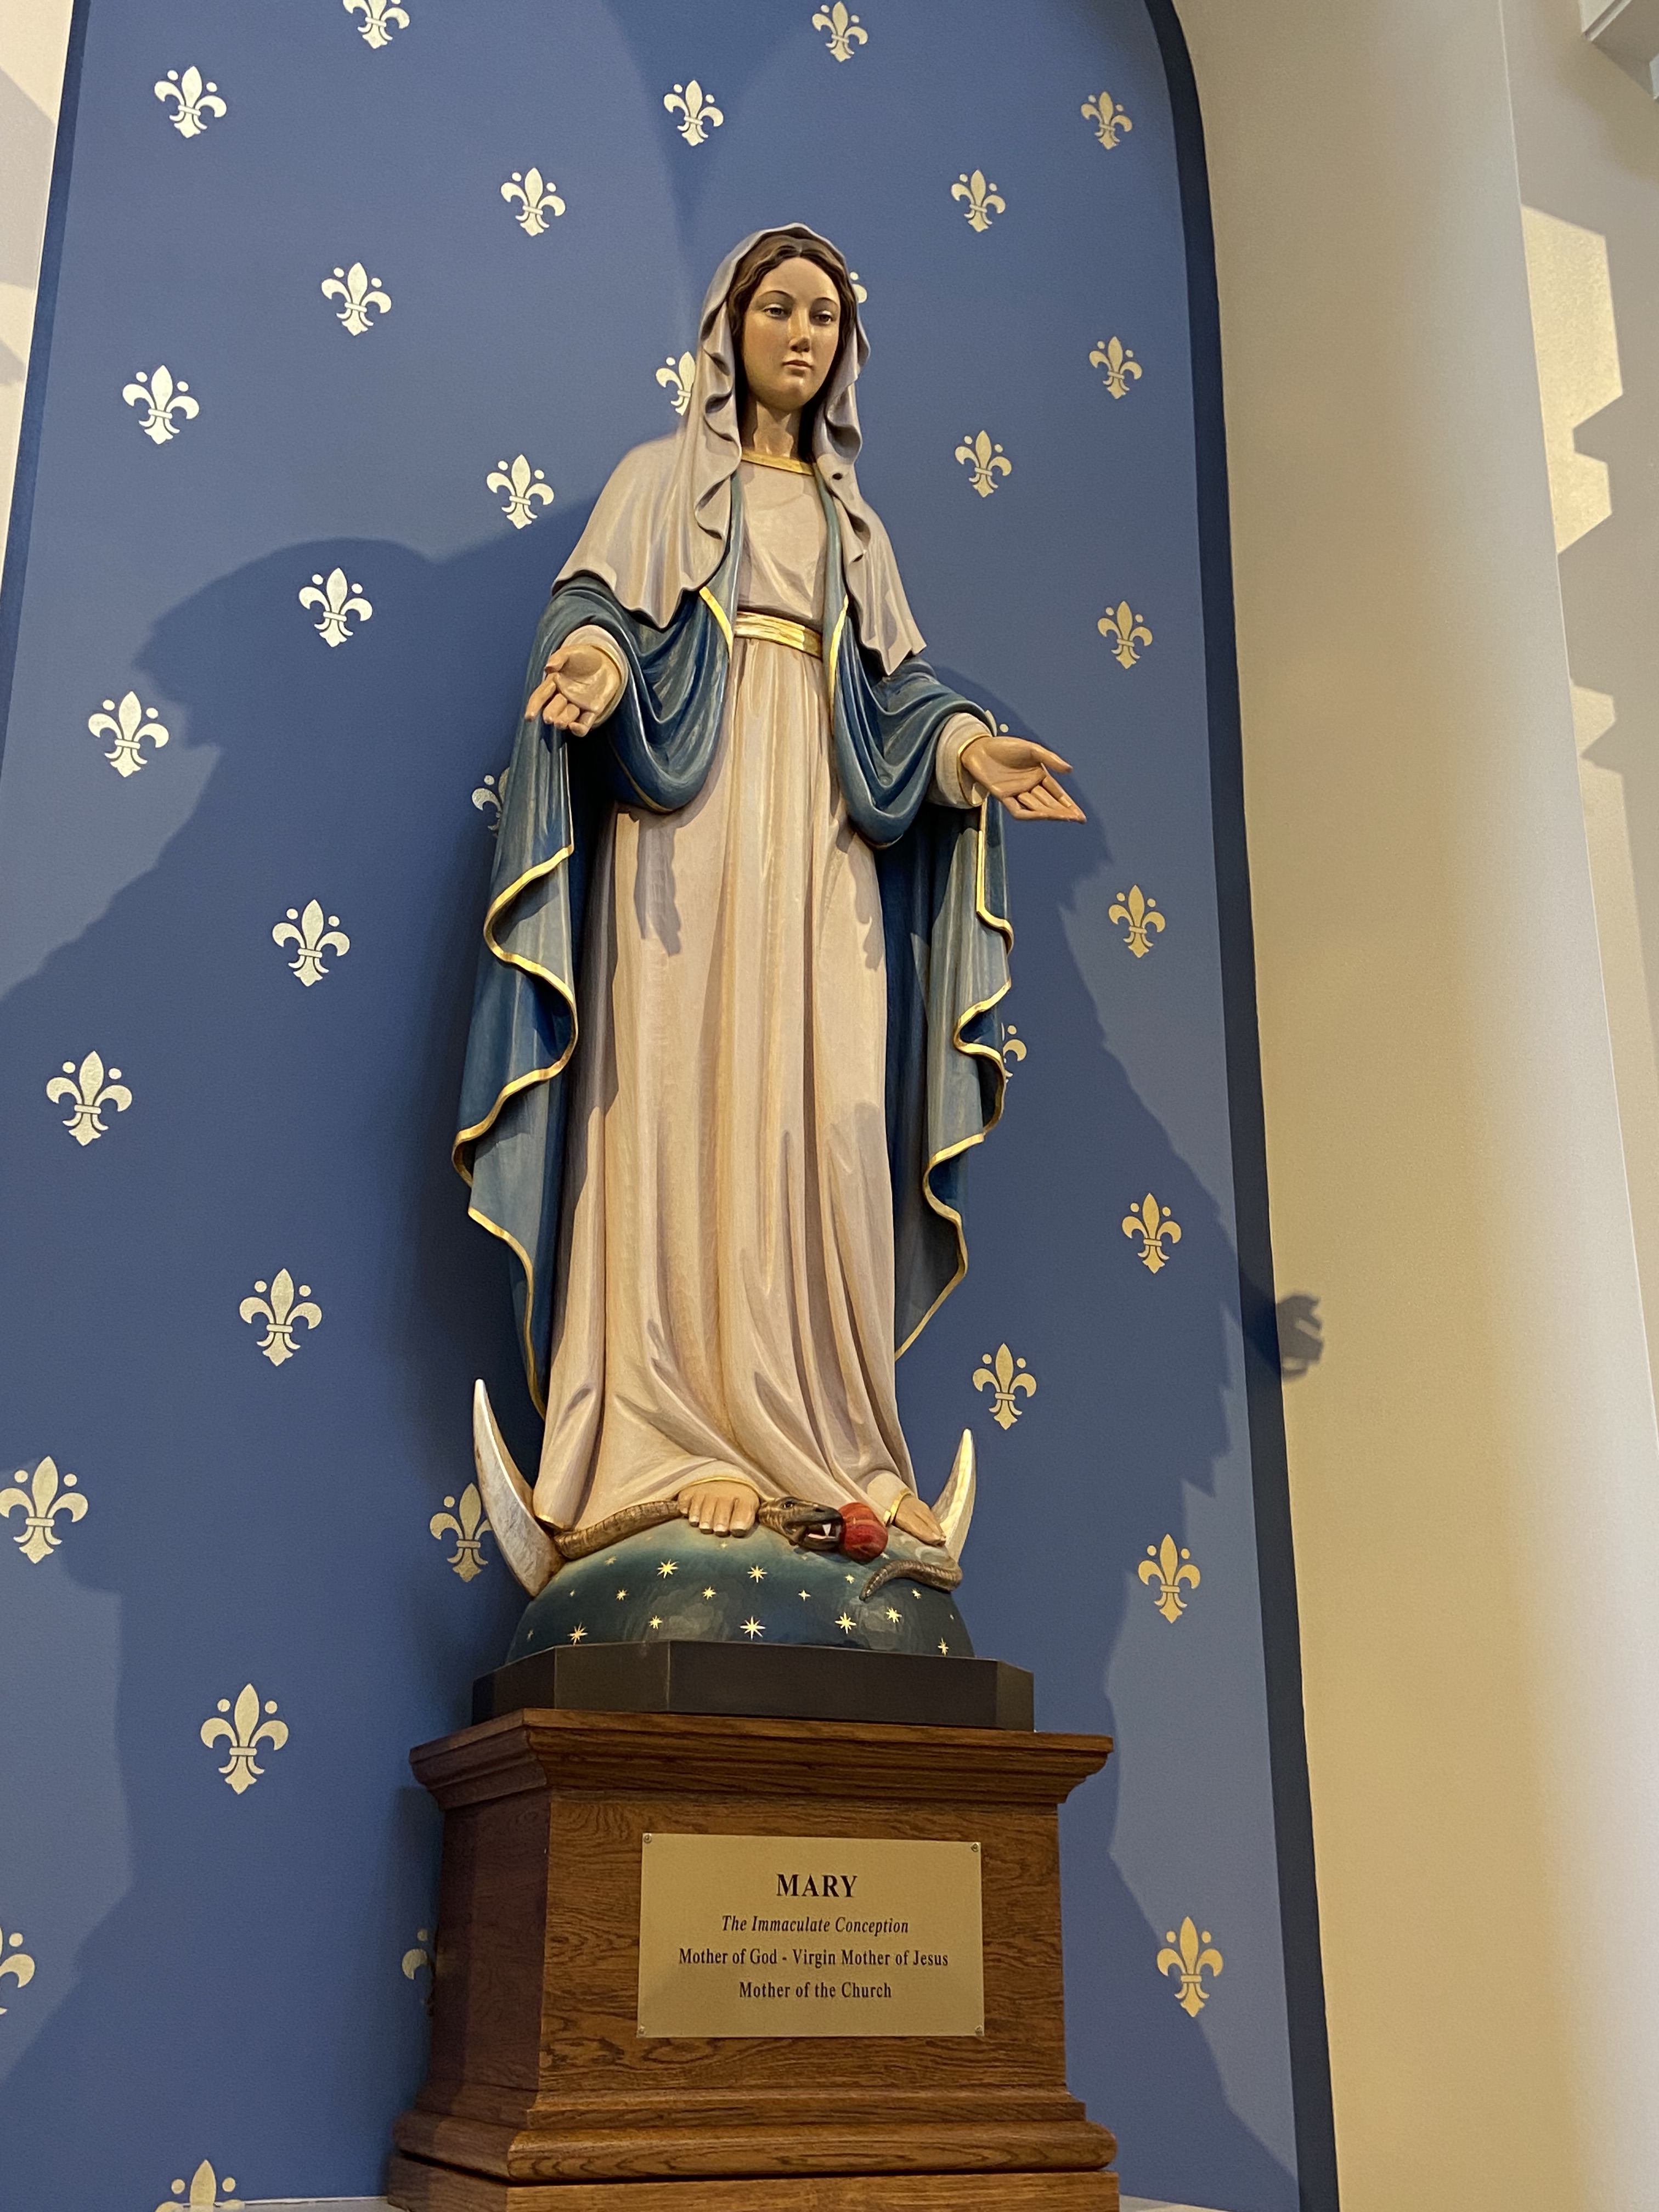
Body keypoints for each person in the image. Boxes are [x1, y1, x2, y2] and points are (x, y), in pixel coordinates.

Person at [456, 225, 1082, 1566]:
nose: (802, 335)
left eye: (825, 317)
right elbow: (598, 614)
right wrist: (597, 667)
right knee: (674, 1100)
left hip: (825, 848)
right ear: (728, 328)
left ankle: (834, 1444)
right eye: (778, 309)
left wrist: (970, 753)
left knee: (829, 1124)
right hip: (685, 838)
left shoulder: (857, 527)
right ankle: (666, 1438)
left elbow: (897, 698)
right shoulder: (657, 483)